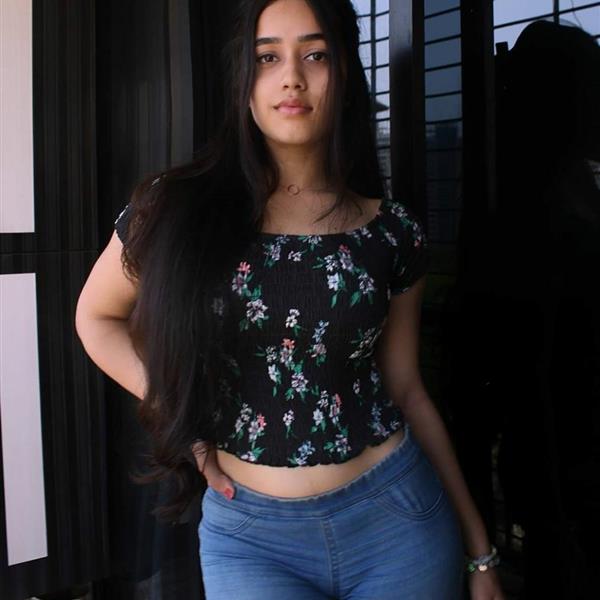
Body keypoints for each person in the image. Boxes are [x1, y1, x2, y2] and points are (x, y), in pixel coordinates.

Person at [75, 0, 505, 598]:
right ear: (243, 82)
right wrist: (186, 424)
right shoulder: (172, 210)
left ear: (344, 75)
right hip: (251, 537)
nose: (292, 77)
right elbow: (96, 318)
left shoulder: (391, 232)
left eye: (316, 54)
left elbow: (407, 390)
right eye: (267, 57)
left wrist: (480, 552)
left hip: (396, 519)